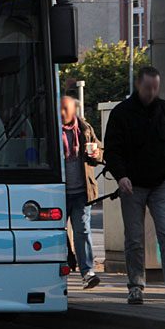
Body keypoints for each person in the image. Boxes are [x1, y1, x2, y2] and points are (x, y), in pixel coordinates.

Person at [104, 66, 165, 305]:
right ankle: (136, 286)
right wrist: (121, 176)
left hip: (161, 182)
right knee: (134, 238)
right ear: (138, 85)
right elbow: (112, 149)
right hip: (132, 184)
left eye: (155, 87)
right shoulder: (122, 113)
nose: (152, 92)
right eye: (148, 87)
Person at [60, 95, 102, 290]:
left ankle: (88, 272)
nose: (62, 113)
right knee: (58, 233)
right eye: (60, 109)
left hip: (82, 191)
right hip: (57, 193)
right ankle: (66, 265)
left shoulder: (85, 129)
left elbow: (100, 151)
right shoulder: (51, 129)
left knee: (82, 230)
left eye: (65, 109)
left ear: (73, 110)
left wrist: (96, 154)